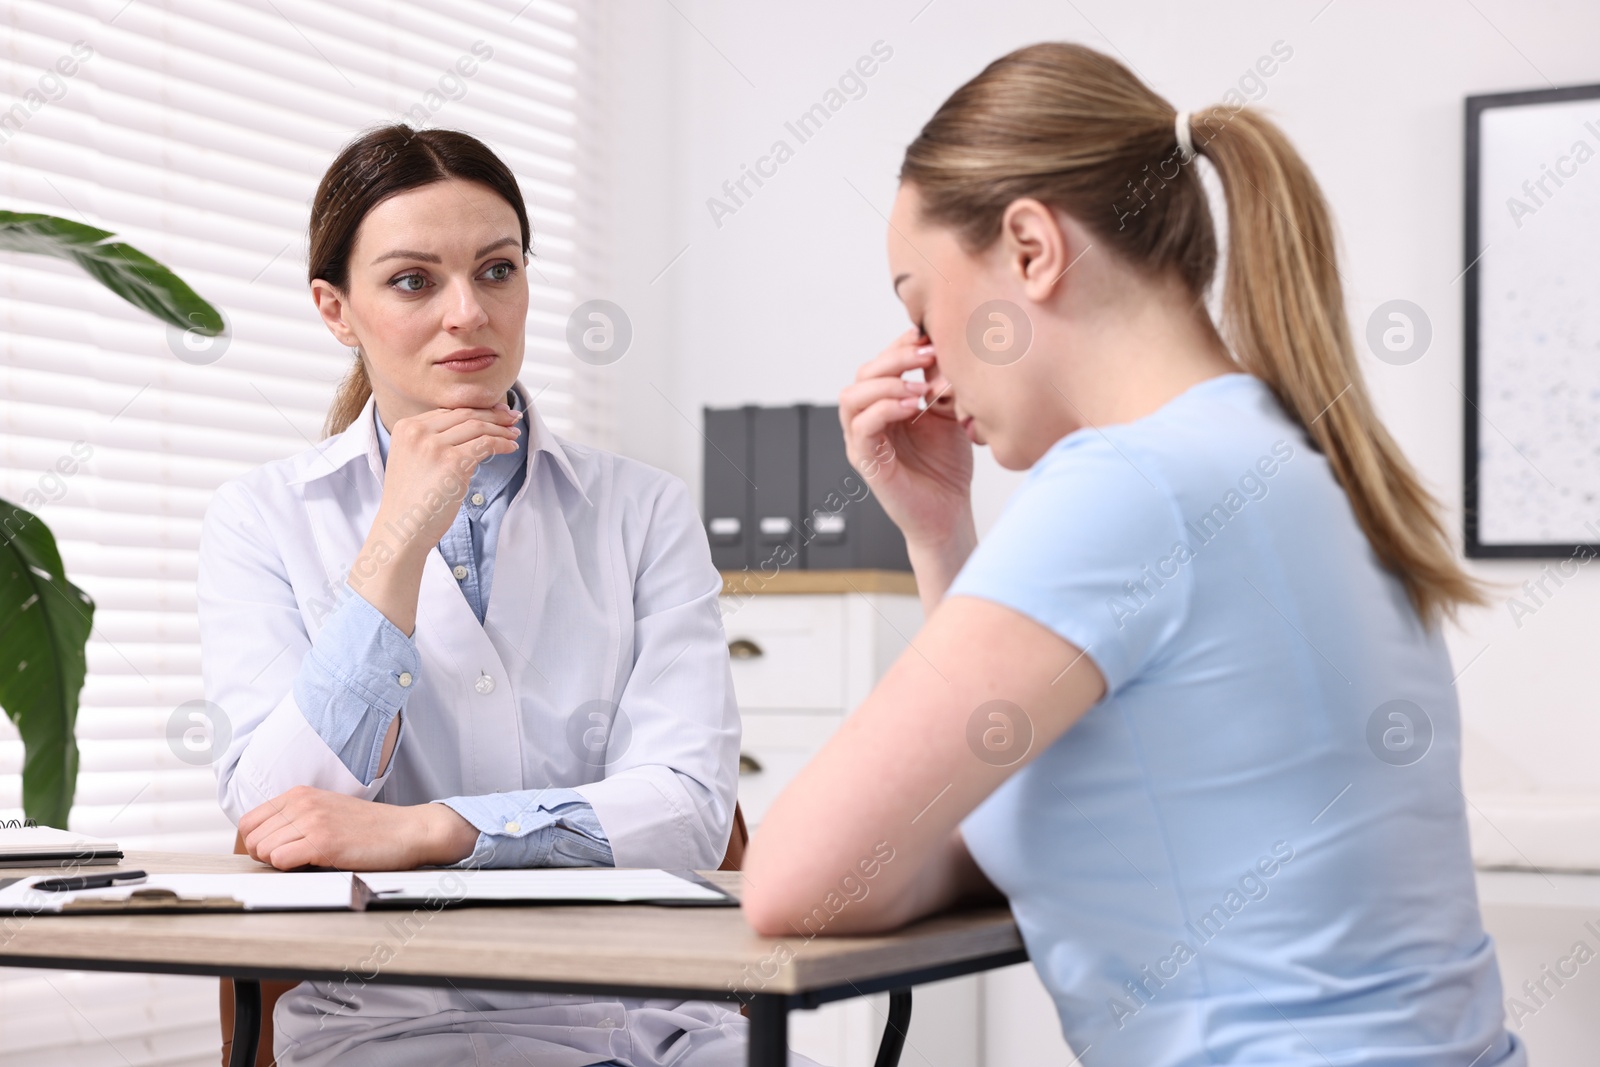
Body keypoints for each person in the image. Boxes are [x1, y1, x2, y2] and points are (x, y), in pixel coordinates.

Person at [742, 42, 1523, 1066]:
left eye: (917, 300)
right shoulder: (1284, 456)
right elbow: (961, 819)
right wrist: (940, 534)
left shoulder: (1132, 488)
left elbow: (796, 880)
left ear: (1029, 247)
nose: (919, 356)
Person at [198, 125, 814, 1067]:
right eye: (413, 281)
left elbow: (689, 805)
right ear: (335, 308)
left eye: (496, 271)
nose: (469, 313)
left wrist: (430, 831)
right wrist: (396, 544)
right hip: (397, 1028)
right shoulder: (263, 518)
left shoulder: (642, 508)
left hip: (652, 1018)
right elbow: (285, 815)